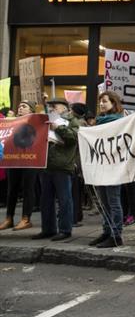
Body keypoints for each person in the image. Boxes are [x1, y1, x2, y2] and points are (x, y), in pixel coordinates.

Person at [32, 98, 80, 241]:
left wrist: (57, 128)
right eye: (50, 106)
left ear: (65, 107)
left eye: (55, 106)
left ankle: (65, 230)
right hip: (46, 164)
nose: (52, 108)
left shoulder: (72, 120)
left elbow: (74, 137)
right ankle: (48, 229)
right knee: (45, 200)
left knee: (64, 199)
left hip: (63, 165)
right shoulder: (46, 120)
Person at [88, 91, 125, 248]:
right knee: (104, 202)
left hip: (113, 166)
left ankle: (116, 235)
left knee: (113, 201)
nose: (101, 104)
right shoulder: (99, 122)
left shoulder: (118, 120)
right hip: (101, 165)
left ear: (113, 103)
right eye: (100, 102)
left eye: (105, 101)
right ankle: (107, 231)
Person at [0, 100, 38, 231]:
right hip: (14, 159)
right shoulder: (12, 122)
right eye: (19, 106)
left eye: (24, 106)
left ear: (31, 110)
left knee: (28, 189)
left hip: (30, 160)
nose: (20, 108)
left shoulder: (35, 123)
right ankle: (8, 218)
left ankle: (26, 218)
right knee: (12, 190)